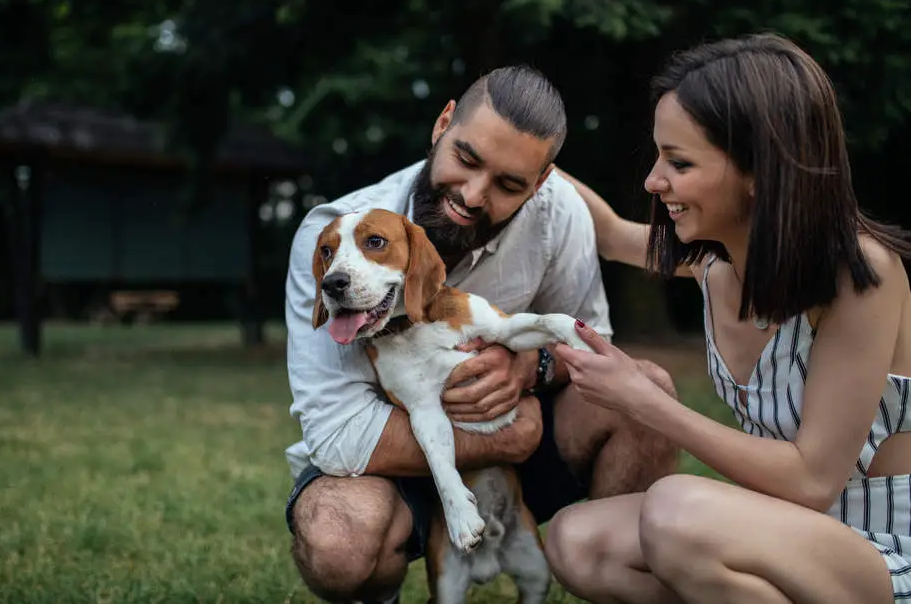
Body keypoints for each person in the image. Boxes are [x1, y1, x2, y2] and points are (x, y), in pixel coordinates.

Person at [282, 65, 679, 603]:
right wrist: (501, 436)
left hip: (518, 450)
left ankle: (612, 574)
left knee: (645, 389)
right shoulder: (332, 235)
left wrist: (529, 367)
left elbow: (593, 340)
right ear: (443, 123)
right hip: (391, 461)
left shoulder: (559, 214)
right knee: (336, 541)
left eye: (508, 184)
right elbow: (334, 433)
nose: (471, 196)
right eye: (466, 159)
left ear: (540, 184)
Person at [545, 32, 911, 603]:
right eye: (658, 154)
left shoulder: (861, 274)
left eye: (680, 162)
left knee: (675, 513)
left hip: (882, 548)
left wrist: (646, 403)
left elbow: (814, 482)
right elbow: (612, 234)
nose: (653, 180)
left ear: (760, 171)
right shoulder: (716, 266)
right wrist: (512, 154)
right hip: (782, 531)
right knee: (578, 539)